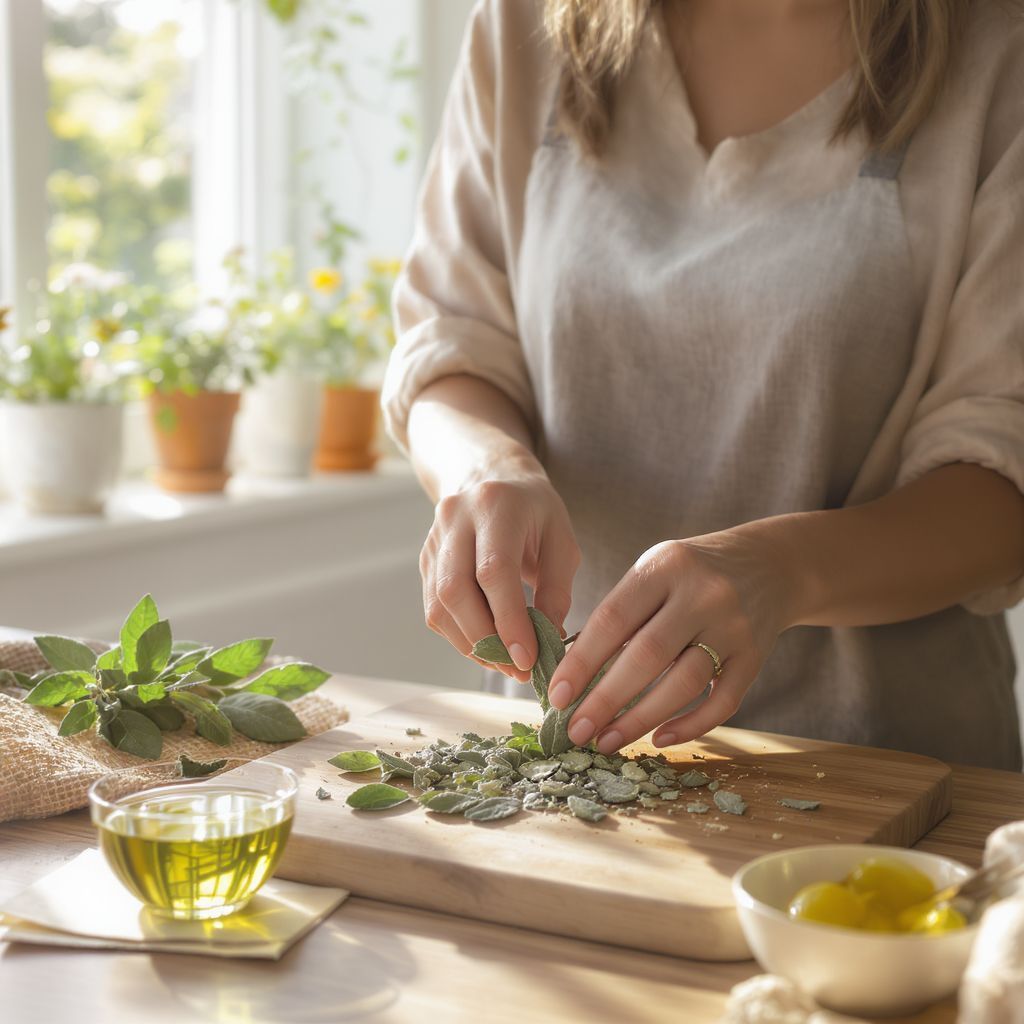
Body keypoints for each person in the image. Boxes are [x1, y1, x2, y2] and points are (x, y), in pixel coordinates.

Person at [382, 0, 1024, 770]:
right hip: (566, 757)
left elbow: (1002, 468)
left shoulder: (999, 46)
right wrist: (486, 467)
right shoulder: (522, 25)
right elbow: (450, 343)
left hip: (884, 762)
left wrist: (783, 568)